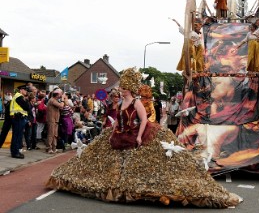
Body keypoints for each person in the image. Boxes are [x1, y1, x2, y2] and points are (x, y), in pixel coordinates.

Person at [46, 67, 241, 208]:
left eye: (123, 88)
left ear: (129, 88)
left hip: (137, 136)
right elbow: (118, 119)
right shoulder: (121, 102)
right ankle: (113, 187)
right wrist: (113, 127)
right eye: (121, 88)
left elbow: (144, 120)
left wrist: (139, 137)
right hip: (119, 136)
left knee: (138, 163)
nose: (121, 90)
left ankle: (137, 189)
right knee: (109, 161)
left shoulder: (137, 102)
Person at [9, 85, 30, 159]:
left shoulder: (18, 96)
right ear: (21, 90)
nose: (26, 91)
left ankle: (15, 151)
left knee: (16, 135)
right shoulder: (19, 96)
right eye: (25, 90)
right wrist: (26, 101)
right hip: (18, 118)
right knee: (17, 136)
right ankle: (15, 152)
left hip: (18, 118)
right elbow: (27, 107)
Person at [46, 88, 67, 154]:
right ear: (57, 94)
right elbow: (61, 106)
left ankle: (54, 148)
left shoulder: (56, 100)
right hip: (51, 119)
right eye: (60, 94)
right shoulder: (52, 100)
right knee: (51, 134)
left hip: (55, 119)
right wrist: (63, 100)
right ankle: (49, 148)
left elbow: (64, 106)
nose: (61, 95)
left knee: (55, 134)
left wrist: (63, 100)